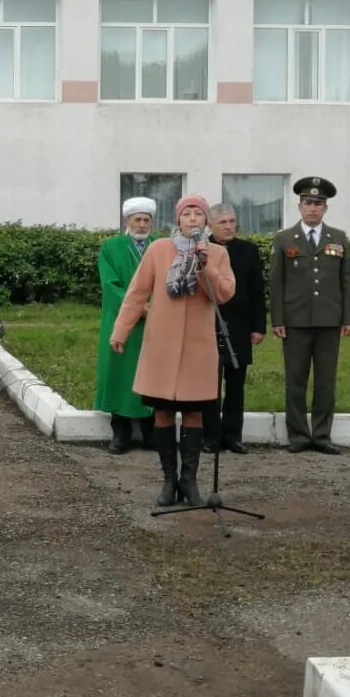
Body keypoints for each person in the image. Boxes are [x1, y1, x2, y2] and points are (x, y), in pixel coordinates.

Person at [110, 194, 235, 509]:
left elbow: (222, 295)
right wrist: (121, 330)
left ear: (206, 221)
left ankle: (189, 480)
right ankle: (168, 480)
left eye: (198, 214)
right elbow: (137, 292)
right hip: (161, 346)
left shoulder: (217, 253)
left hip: (198, 349)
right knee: (163, 412)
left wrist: (206, 265)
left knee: (194, 413)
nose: (192, 218)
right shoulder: (158, 250)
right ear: (177, 220)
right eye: (186, 213)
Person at [270, 177, 350, 456]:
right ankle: (297, 435)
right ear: (299, 207)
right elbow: (277, 282)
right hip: (295, 322)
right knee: (295, 380)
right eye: (308, 203)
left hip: (329, 321)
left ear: (325, 209)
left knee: (325, 381)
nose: (313, 209)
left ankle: (321, 435)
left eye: (318, 204)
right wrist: (278, 320)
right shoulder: (284, 239)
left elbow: (347, 281)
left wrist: (349, 318)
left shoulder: (339, 238)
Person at [202, 204, 267, 456]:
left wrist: (258, 326)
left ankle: (233, 436)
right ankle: (210, 437)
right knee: (209, 385)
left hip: (240, 327)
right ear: (210, 225)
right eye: (223, 222)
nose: (229, 226)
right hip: (207, 324)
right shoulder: (201, 248)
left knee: (236, 383)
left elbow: (257, 292)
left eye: (232, 221)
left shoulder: (248, 251)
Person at [94, 197, 156, 456]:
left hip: (155, 320)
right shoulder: (111, 246)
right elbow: (109, 284)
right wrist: (138, 307)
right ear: (127, 221)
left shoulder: (160, 246)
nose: (142, 225)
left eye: (146, 220)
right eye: (137, 220)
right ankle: (120, 431)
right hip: (121, 319)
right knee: (119, 371)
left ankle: (150, 430)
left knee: (152, 372)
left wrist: (155, 307)